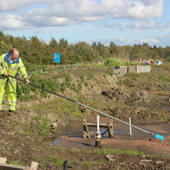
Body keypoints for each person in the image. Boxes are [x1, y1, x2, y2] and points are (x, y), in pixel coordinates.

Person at [0, 48, 30, 113]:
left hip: (12, 79)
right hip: (2, 78)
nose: (16, 57)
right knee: (0, 91)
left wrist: (26, 78)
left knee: (12, 92)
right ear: (11, 54)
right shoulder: (3, 57)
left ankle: (12, 108)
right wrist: (3, 71)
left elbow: (22, 69)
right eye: (15, 55)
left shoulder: (18, 60)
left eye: (17, 55)